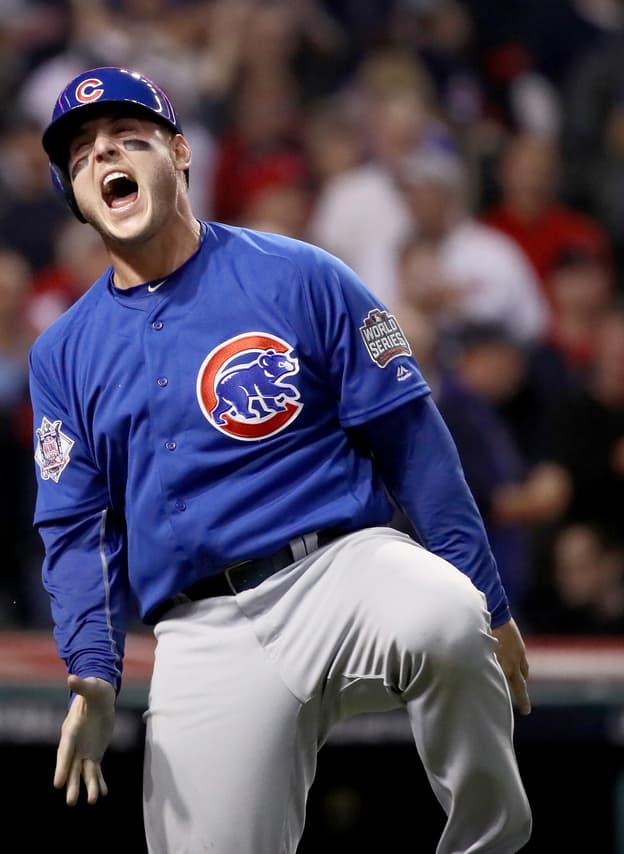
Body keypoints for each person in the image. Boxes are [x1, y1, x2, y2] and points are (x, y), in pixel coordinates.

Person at [30, 67, 532, 853]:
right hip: (202, 627)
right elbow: (74, 531)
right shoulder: (62, 352)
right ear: (72, 191)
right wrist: (92, 671)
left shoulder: (300, 273)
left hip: (344, 568)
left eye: (129, 140)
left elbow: (414, 442)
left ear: (181, 155)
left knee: (445, 615)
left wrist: (491, 606)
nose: (104, 156)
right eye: (83, 153)